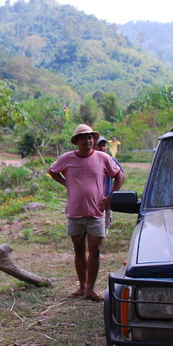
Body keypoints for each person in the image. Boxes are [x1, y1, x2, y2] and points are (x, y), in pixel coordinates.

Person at [49, 124, 125, 301]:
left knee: (95, 250)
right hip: (75, 212)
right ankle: (82, 287)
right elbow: (52, 171)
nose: (88, 140)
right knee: (78, 249)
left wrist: (111, 196)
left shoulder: (103, 158)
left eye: (90, 137)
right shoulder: (66, 158)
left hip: (97, 212)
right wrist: (67, 183)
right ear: (76, 141)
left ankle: (90, 288)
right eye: (83, 138)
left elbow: (119, 175)